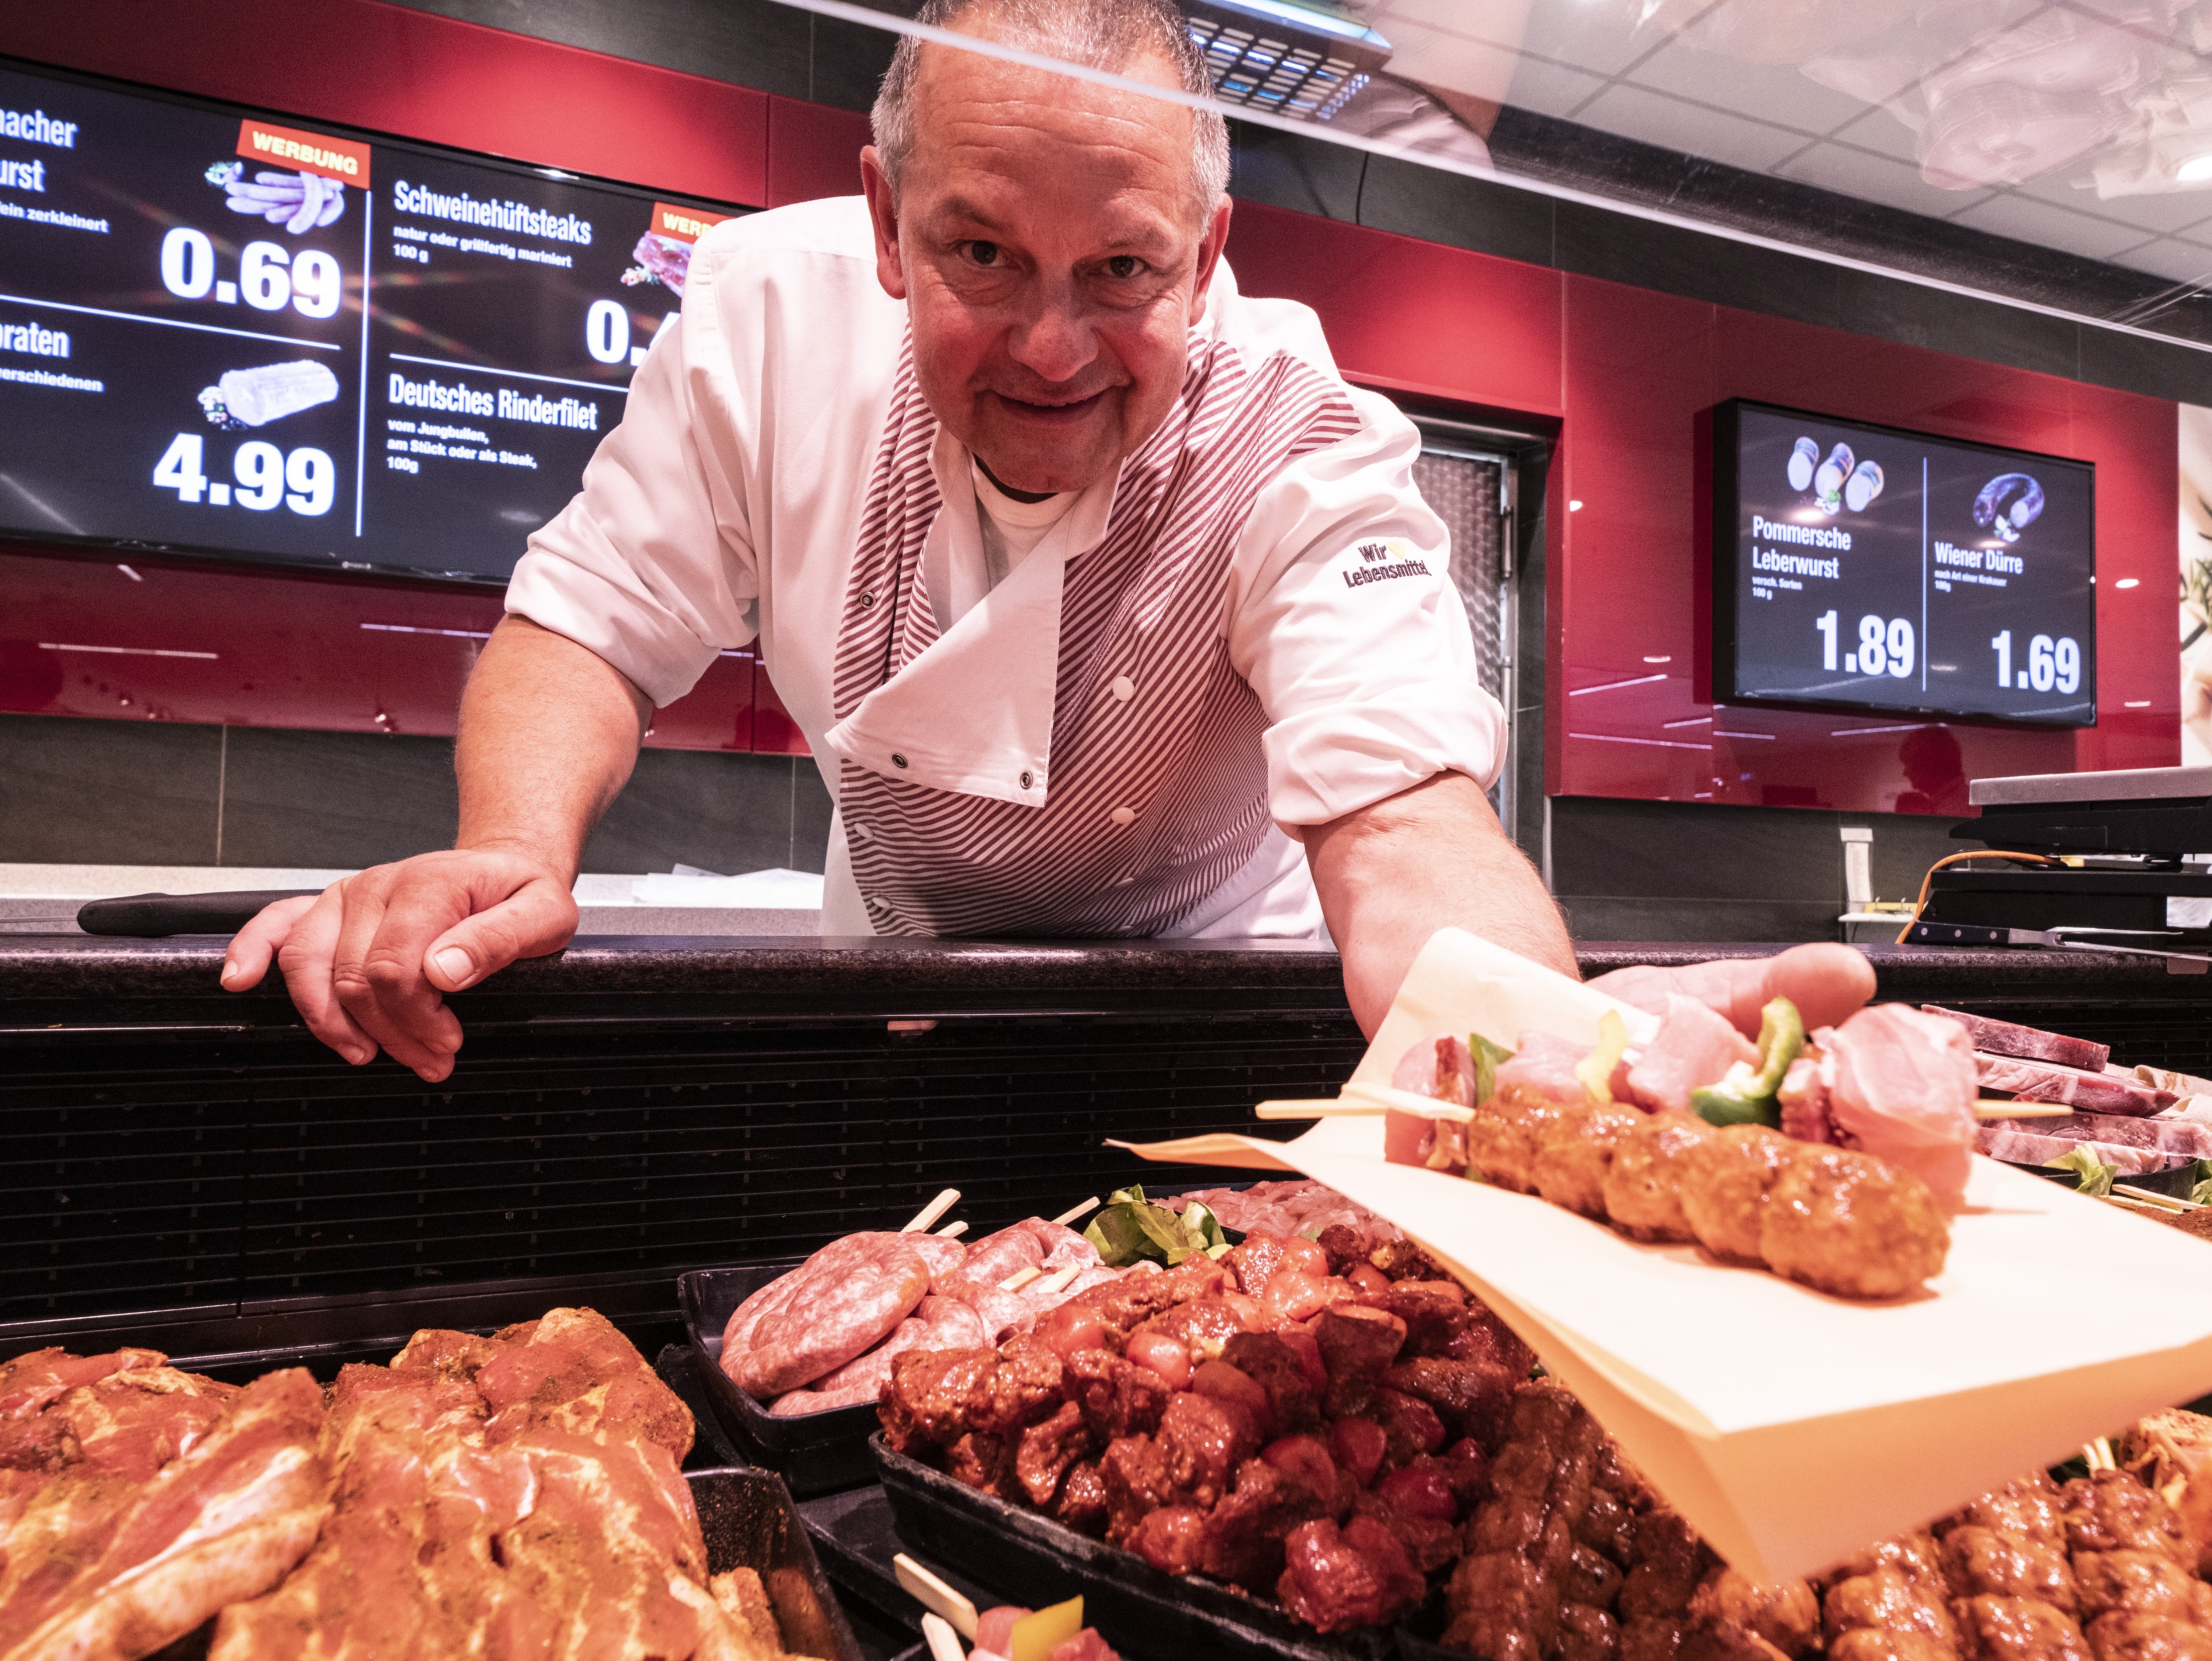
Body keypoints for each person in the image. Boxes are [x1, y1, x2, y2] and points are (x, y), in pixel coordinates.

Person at [219, 0, 1574, 1081]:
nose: (1052, 350)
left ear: (1207, 255)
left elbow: (1406, 830)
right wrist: (512, 848)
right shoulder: (766, 324)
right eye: (981, 254)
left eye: (1122, 268)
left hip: (1212, 1009)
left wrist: (1555, 1086)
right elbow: (589, 624)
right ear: (885, 221)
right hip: (897, 1004)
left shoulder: (1300, 434)